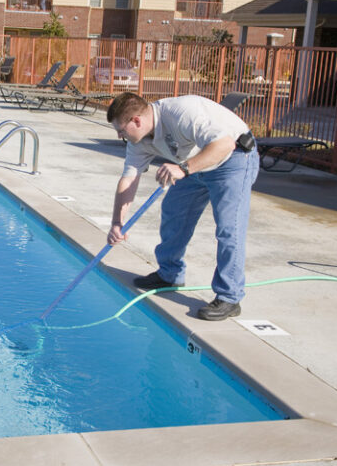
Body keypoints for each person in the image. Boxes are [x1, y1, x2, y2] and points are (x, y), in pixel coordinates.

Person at [106, 92, 259, 321]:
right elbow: (129, 178)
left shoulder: (181, 112)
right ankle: (170, 275)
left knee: (229, 228)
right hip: (194, 164)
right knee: (174, 213)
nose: (120, 136)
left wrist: (184, 169)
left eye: (121, 130)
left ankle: (229, 296)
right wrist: (118, 222)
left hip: (232, 159)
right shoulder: (139, 140)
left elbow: (224, 144)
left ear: (136, 121)